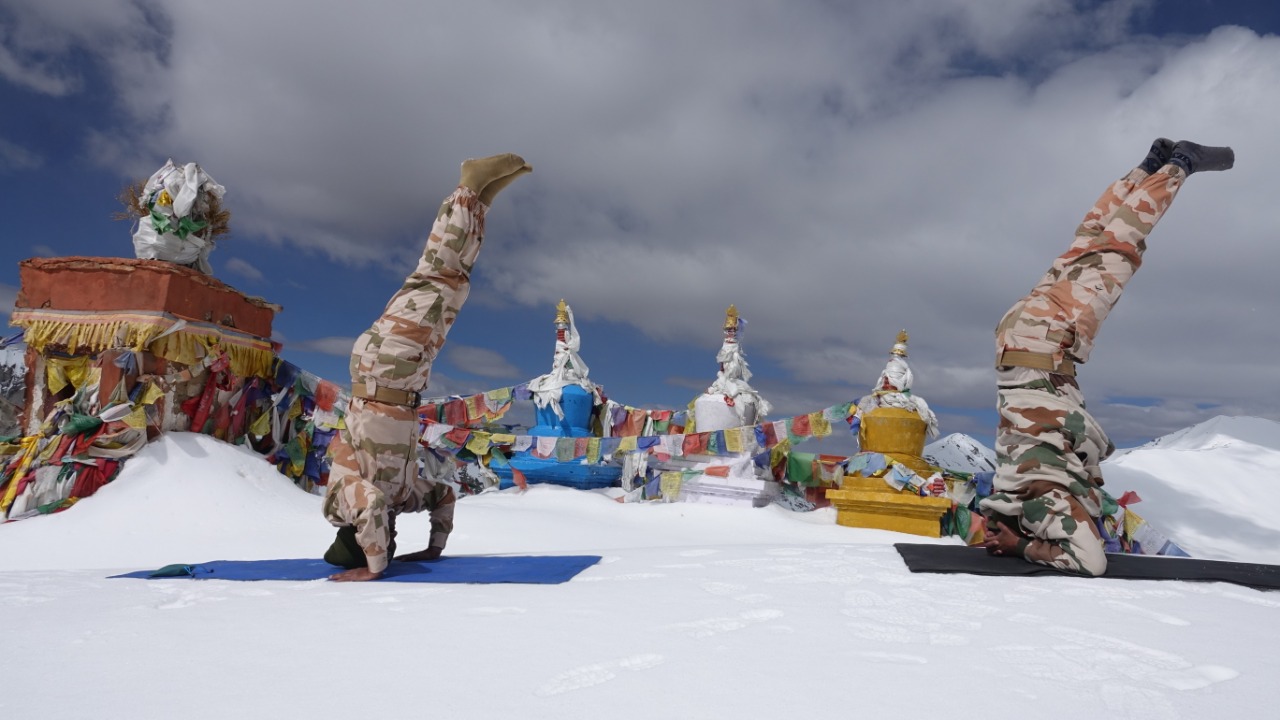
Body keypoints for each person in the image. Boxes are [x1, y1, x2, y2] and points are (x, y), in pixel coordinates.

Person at [979, 139, 1234, 576]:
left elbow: (1090, 561)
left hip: (1047, 340)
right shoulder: (1011, 477)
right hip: (1017, 339)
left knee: (1121, 246)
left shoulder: (1046, 500)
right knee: (1088, 243)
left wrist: (1026, 548)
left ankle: (1179, 165)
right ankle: (1145, 169)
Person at [322, 153, 532, 582]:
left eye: (380, 539)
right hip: (404, 375)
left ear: (357, 535)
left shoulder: (341, 501)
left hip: (385, 366)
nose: (389, 532)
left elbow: (371, 507)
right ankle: (480, 201)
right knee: (455, 286)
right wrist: (434, 549)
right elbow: (445, 495)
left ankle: (468, 188)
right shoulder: (404, 497)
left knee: (436, 278)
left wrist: (376, 568)